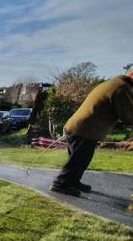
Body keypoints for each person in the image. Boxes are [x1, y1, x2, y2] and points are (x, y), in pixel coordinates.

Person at [51, 67, 133, 196]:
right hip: (85, 128)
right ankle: (60, 184)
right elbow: (128, 116)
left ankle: (73, 181)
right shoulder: (122, 87)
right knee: (79, 159)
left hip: (80, 127)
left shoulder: (115, 83)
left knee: (80, 158)